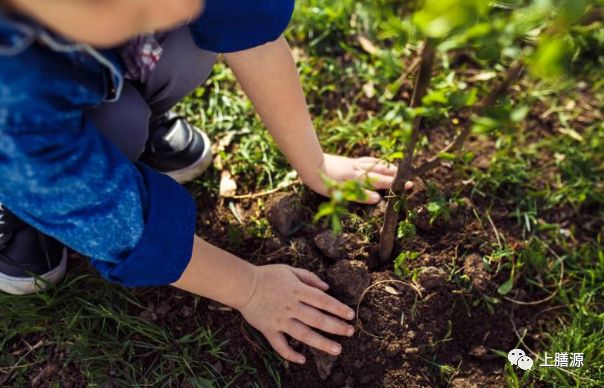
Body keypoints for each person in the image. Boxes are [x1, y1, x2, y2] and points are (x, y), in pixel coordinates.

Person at [0, 0, 404, 365]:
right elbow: (120, 225)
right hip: (21, 138)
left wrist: (313, 163)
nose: (179, 6)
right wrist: (250, 289)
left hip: (76, 66)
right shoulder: (13, 97)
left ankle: (133, 120)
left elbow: (244, 22)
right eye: (139, 10)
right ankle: (23, 205)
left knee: (187, 43)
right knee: (80, 149)